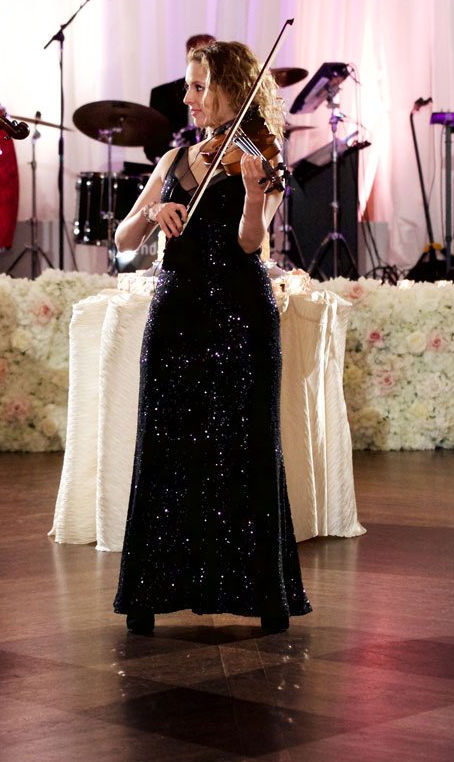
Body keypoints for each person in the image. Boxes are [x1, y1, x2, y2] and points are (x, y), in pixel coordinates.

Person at [111, 39, 311, 635]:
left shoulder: (257, 156)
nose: (189, 97)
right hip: (176, 316)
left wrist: (253, 195)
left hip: (240, 315)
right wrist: (154, 216)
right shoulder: (173, 163)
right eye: (188, 86)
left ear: (229, 89)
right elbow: (123, 240)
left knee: (246, 446)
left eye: (200, 87)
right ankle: (153, 589)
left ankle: (261, 594)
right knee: (168, 446)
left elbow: (252, 242)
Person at [143, 33, 216, 162]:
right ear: (188, 58)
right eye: (198, 56)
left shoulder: (225, 92)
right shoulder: (162, 94)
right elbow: (153, 147)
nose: (187, 99)